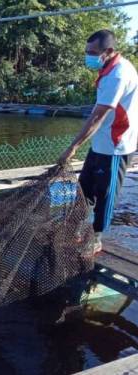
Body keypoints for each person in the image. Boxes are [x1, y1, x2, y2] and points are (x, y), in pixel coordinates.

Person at [58, 30, 138, 253]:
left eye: (93, 53)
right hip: (100, 142)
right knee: (84, 190)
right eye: (86, 52)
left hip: (116, 145)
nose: (88, 57)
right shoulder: (108, 68)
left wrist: (72, 147)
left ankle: (96, 236)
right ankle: (74, 228)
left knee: (105, 194)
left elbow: (97, 117)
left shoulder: (118, 75)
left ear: (109, 51)